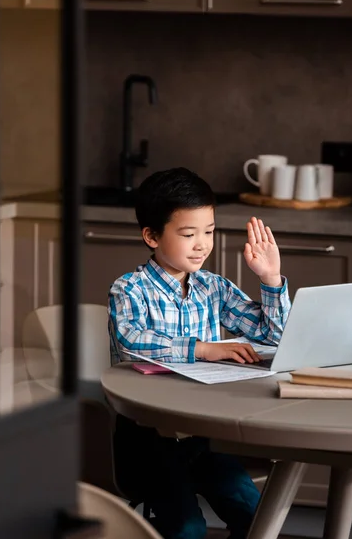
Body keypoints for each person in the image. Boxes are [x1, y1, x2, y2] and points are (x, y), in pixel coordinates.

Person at [108, 167, 291, 539]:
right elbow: (131, 340)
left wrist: (271, 280)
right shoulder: (129, 289)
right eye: (188, 234)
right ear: (152, 236)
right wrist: (204, 349)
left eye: (208, 231)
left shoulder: (214, 288)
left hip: (203, 434)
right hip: (148, 438)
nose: (202, 244)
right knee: (187, 527)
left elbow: (274, 337)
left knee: (258, 516)